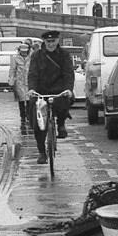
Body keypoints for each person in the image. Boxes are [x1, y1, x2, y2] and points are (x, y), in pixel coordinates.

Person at [26, 30, 75, 164]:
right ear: (44, 42)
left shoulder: (64, 55)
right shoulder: (37, 55)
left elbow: (68, 74)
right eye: (48, 42)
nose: (51, 44)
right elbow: (33, 74)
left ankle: (61, 124)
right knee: (37, 122)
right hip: (41, 90)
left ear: (57, 41)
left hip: (58, 89)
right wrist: (31, 89)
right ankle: (42, 152)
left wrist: (68, 89)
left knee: (65, 100)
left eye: (53, 41)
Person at [8, 42, 33, 134]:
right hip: (19, 81)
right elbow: (12, 69)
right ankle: (22, 116)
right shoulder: (15, 58)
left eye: (25, 51)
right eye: (22, 51)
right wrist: (11, 80)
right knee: (21, 99)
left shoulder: (32, 57)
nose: (24, 53)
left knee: (30, 99)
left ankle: (29, 116)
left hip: (29, 81)